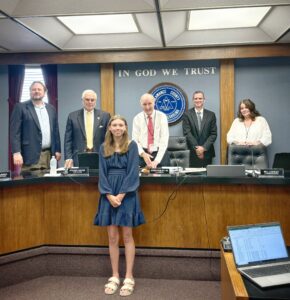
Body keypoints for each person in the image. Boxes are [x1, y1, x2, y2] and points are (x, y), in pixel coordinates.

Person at [94, 115, 145, 296]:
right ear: (109, 128)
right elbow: (102, 173)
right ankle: (115, 275)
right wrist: (109, 194)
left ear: (125, 127)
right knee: (112, 238)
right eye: (114, 125)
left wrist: (121, 195)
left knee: (128, 236)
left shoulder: (132, 146)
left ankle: (129, 276)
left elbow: (133, 173)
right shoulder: (103, 148)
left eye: (120, 125)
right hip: (108, 194)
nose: (117, 128)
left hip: (127, 193)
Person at [10, 81, 61, 171]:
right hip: (30, 156)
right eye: (33, 89)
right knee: (31, 184)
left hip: (49, 156)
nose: (36, 91)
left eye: (39, 89)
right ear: (30, 92)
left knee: (50, 184)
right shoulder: (20, 107)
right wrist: (16, 152)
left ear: (44, 92)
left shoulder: (51, 109)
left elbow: (55, 131)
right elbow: (14, 132)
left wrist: (57, 149)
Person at [64, 89, 110, 168]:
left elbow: (108, 139)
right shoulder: (72, 116)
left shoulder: (105, 116)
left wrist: (108, 156)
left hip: (100, 155)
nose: (90, 102)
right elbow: (68, 140)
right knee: (80, 180)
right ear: (82, 100)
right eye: (87, 99)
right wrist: (68, 158)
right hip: (78, 156)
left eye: (92, 100)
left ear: (95, 101)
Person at [132, 93, 169, 168]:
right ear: (141, 104)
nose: (147, 107)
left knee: (164, 178)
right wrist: (143, 154)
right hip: (142, 153)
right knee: (141, 178)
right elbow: (135, 140)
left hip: (160, 153)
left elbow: (164, 140)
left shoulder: (162, 116)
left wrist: (156, 161)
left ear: (154, 103)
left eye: (149, 104)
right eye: (144, 104)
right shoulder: (137, 118)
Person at [182, 90, 217, 167]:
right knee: (193, 178)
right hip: (192, 153)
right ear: (193, 100)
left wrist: (203, 148)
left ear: (204, 100)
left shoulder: (211, 115)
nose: (198, 100)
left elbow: (213, 134)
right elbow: (187, 133)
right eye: (196, 98)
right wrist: (197, 149)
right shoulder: (187, 114)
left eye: (200, 98)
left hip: (207, 152)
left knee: (208, 177)